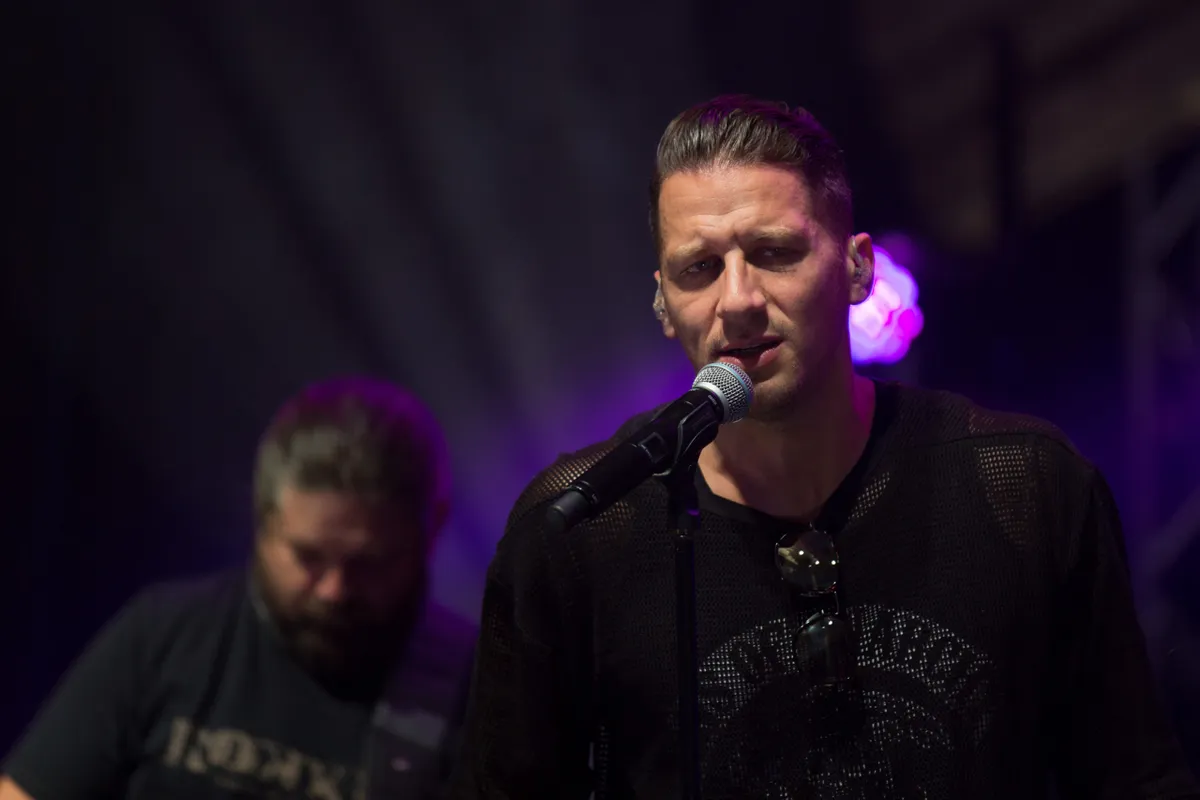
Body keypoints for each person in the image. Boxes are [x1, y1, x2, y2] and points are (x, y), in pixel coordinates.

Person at [448, 95, 1200, 798]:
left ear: (857, 268)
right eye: (699, 269)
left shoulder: (1025, 486)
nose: (738, 300)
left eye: (774, 252)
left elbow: (1134, 780)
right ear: (663, 303)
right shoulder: (582, 528)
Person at [2, 376, 477, 800]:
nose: (334, 590)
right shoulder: (164, 636)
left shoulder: (481, 693)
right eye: (308, 557)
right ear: (261, 521)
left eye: (369, 563)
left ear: (431, 532)